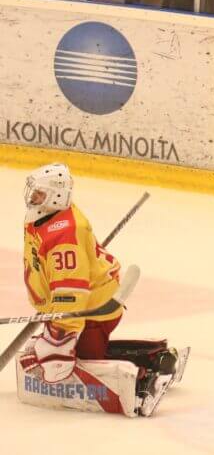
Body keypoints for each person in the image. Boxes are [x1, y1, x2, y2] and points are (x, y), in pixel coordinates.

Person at [19, 163, 189, 416]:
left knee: (82, 360)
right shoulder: (46, 216)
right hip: (82, 307)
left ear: (56, 196)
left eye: (39, 194)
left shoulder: (65, 234)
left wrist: (60, 334)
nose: (32, 198)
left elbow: (71, 291)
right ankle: (154, 355)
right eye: (33, 192)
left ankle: (150, 373)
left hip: (93, 311)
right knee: (66, 352)